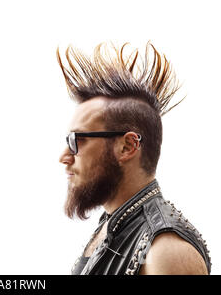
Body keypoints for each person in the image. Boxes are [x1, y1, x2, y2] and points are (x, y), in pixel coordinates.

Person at [57, 43, 211, 275]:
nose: (65, 156)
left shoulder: (166, 252)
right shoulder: (111, 223)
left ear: (128, 146)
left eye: (77, 140)